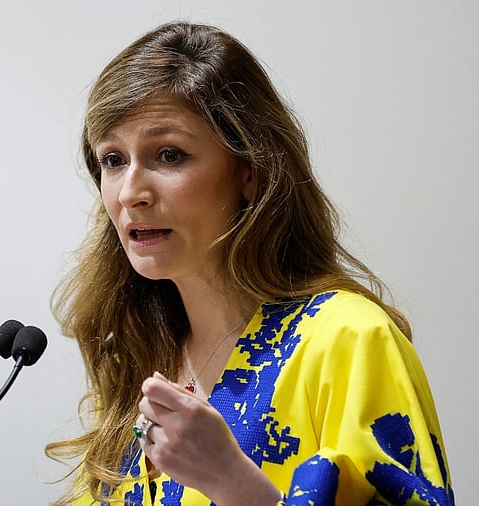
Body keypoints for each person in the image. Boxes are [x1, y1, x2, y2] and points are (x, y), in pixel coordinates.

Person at [45, 21, 454, 505]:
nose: (131, 192)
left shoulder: (349, 338)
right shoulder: (135, 358)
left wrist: (233, 486)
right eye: (113, 160)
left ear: (251, 172)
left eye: (169, 155)